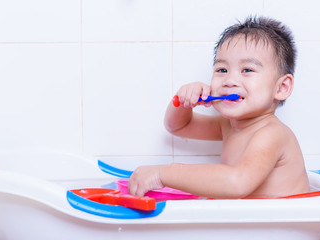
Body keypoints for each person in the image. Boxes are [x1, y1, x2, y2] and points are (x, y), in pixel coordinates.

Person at [128, 16, 310, 199]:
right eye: (222, 70)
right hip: (258, 225)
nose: (229, 81)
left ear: (281, 87)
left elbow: (237, 182)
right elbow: (177, 126)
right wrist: (183, 101)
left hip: (282, 226)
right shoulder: (229, 125)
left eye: (247, 70)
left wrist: (164, 174)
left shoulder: (272, 133)